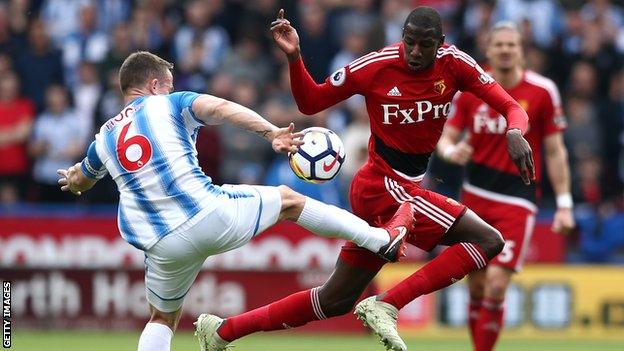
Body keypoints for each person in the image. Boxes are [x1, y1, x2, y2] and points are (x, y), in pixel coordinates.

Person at [197, 7, 535, 351]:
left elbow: (513, 108)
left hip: (403, 186)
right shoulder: (376, 66)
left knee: (335, 300)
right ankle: (387, 303)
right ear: (401, 38)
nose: (415, 52)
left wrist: (514, 131)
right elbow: (311, 101)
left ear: (441, 43)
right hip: (382, 186)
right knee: (488, 240)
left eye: (425, 45)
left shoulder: (456, 64)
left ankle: (223, 331)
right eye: (410, 42)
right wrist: (295, 57)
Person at [56, 51, 417, 351]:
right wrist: (271, 132)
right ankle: (382, 239)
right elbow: (223, 109)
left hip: (161, 244)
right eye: (167, 84)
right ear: (153, 86)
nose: (171, 89)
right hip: (207, 212)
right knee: (289, 201)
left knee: (162, 317)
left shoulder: (102, 138)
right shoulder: (168, 104)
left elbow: (81, 180)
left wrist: (72, 179)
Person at [437, 21, 575, 351]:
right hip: (474, 197)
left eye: (511, 45)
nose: (505, 50)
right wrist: (451, 152)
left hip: (518, 198)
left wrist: (566, 203)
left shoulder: (542, 91)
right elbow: (446, 137)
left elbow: (555, 151)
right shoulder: (471, 89)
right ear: (488, 49)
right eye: (499, 44)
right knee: (477, 286)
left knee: (497, 285)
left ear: (520, 50)